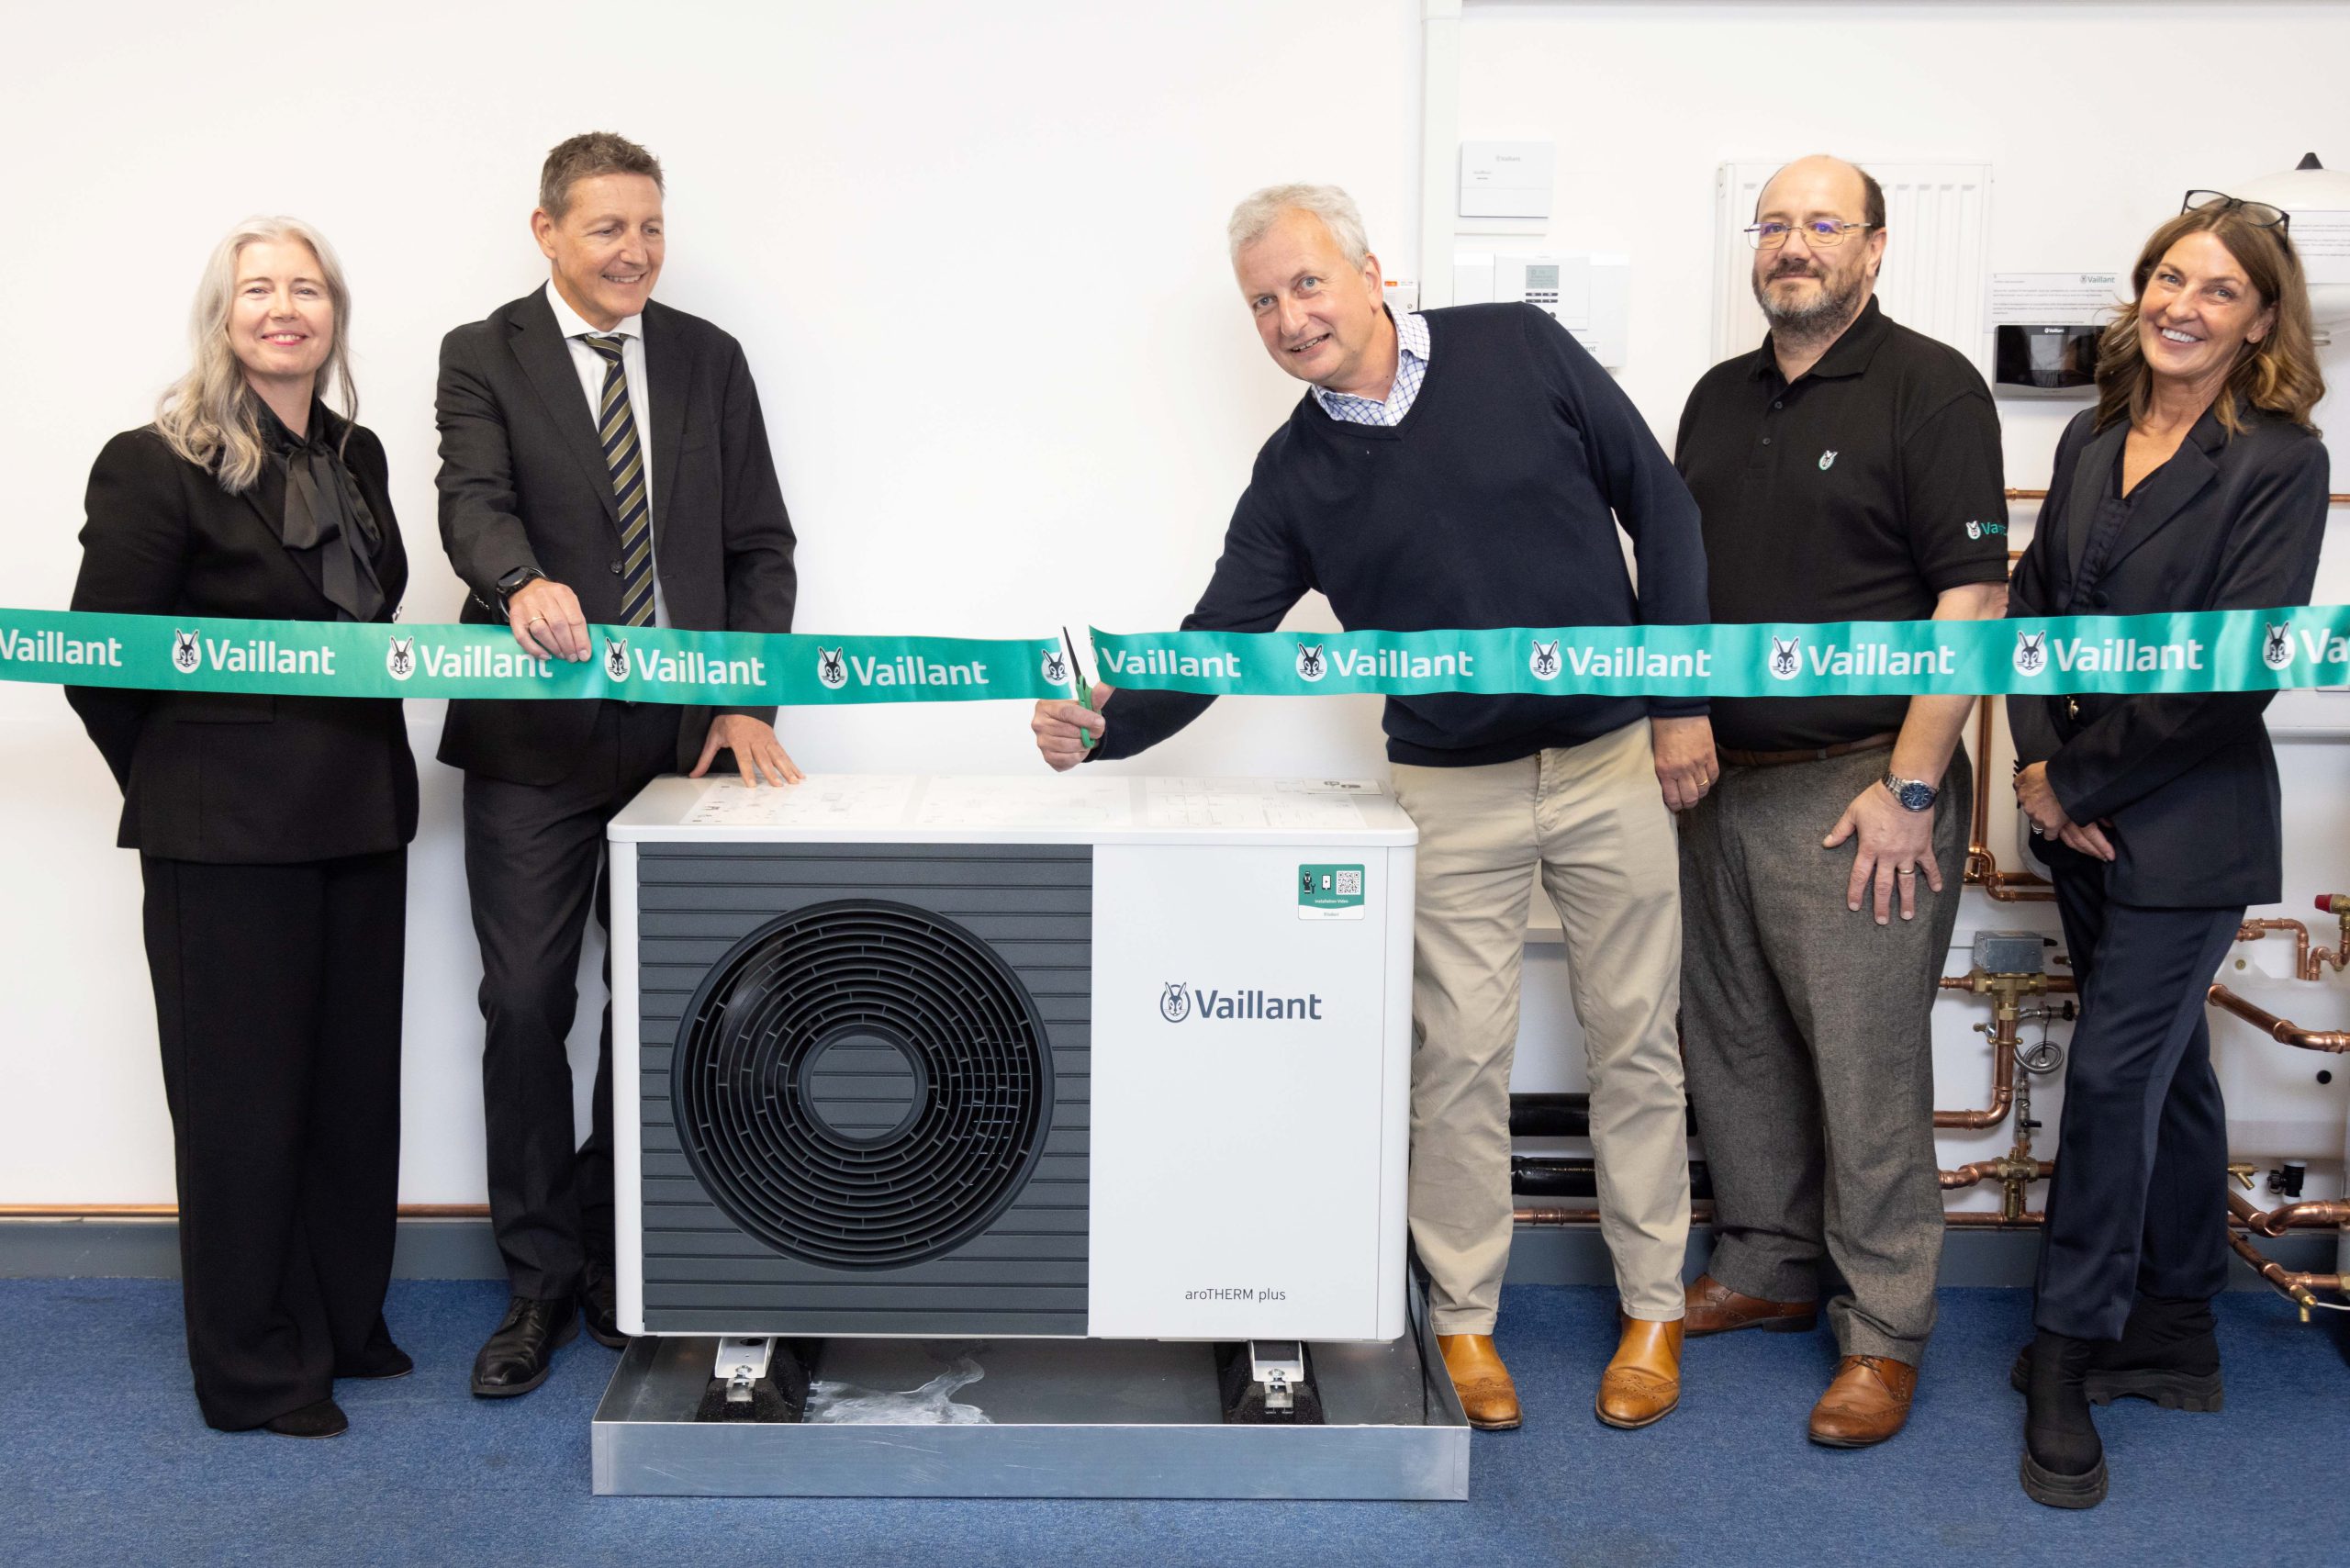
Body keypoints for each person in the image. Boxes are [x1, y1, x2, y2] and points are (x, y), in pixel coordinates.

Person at [1031, 185, 1710, 1431]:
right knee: (1457, 1064)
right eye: (1262, 304)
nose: (1290, 319)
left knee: (1638, 1046)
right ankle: (1461, 1324)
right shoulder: (1294, 474)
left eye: (1306, 284)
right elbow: (1219, 643)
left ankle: (1655, 1307)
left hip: (1614, 759)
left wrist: (1680, 703)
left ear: (1371, 271)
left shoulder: (1519, 344)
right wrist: (1100, 725)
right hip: (1451, 791)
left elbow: (1656, 502)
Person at [437, 131, 800, 1397]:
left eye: (650, 226)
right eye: (606, 228)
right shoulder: (483, 354)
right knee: (529, 1004)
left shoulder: (709, 360)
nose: (634, 251)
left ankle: (614, 1255)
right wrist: (517, 579)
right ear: (546, 232)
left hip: (681, 744)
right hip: (534, 743)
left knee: (665, 1013)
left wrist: (746, 701)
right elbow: (471, 501)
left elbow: (760, 547)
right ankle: (536, 1279)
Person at [1670, 155, 2010, 1447]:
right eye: (1774, 224)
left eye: (1823, 223)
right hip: (1713, 781)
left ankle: (1882, 1335)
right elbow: (1678, 584)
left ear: (1876, 249)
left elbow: (1970, 601)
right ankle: (1763, 1265)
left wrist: (1913, 786)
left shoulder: (1930, 388)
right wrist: (1675, 712)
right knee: (1736, 1044)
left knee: (1865, 1073)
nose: (1793, 244)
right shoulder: (1713, 398)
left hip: (1863, 784)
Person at [66, 218, 416, 1439]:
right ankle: (254, 1370)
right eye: (258, 289)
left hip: (362, 819)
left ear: (334, 316)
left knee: (349, 1096)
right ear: (223, 316)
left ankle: (339, 1321)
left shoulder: (359, 456)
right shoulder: (152, 461)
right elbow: (100, 660)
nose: (285, 309)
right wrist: (177, 784)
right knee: (241, 1107)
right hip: (223, 838)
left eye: (307, 290)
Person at [2007, 195, 2328, 1508]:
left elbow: (2225, 676)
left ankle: (2067, 1355)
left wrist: (2076, 780)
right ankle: (2179, 1327)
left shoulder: (2279, 461)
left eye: (2219, 290)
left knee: (2111, 1080)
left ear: (2260, 322)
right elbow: (2028, 605)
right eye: (2168, 276)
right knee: (2173, 1078)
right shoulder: (2092, 436)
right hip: (2072, 811)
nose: (2182, 305)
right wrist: (2036, 767)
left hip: (2185, 826)